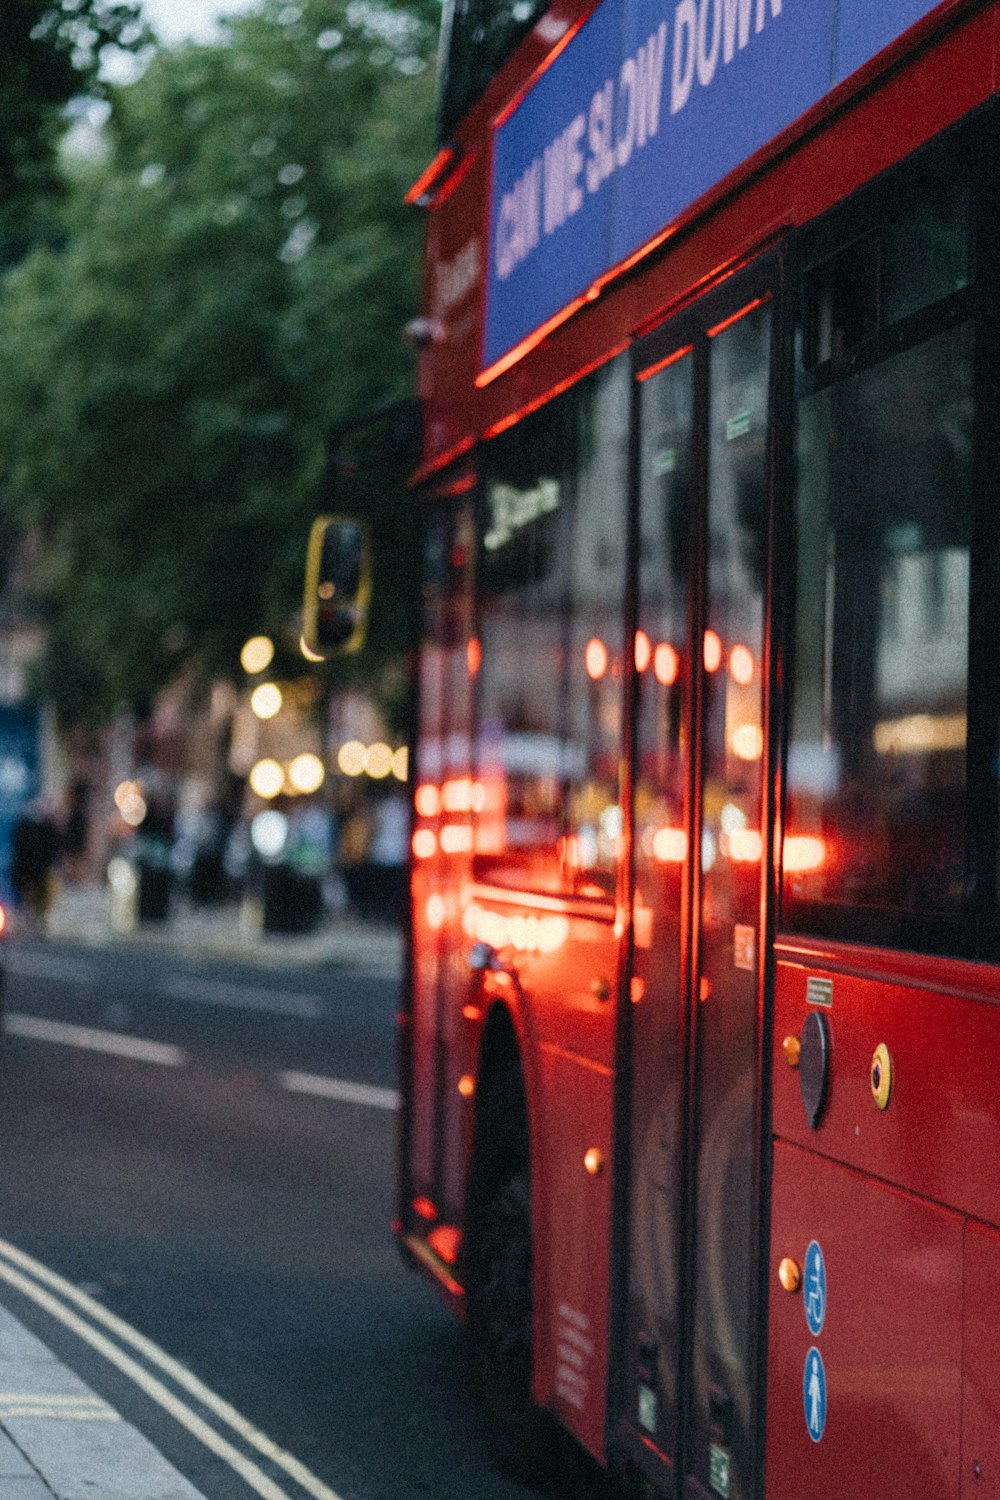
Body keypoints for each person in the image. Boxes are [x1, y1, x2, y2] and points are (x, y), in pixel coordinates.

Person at [11, 798, 62, 929]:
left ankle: (33, 917)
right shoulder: (27, 825)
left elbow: (54, 846)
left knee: (37, 892)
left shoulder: (48, 827)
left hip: (38, 867)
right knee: (26, 891)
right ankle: (25, 916)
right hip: (28, 866)